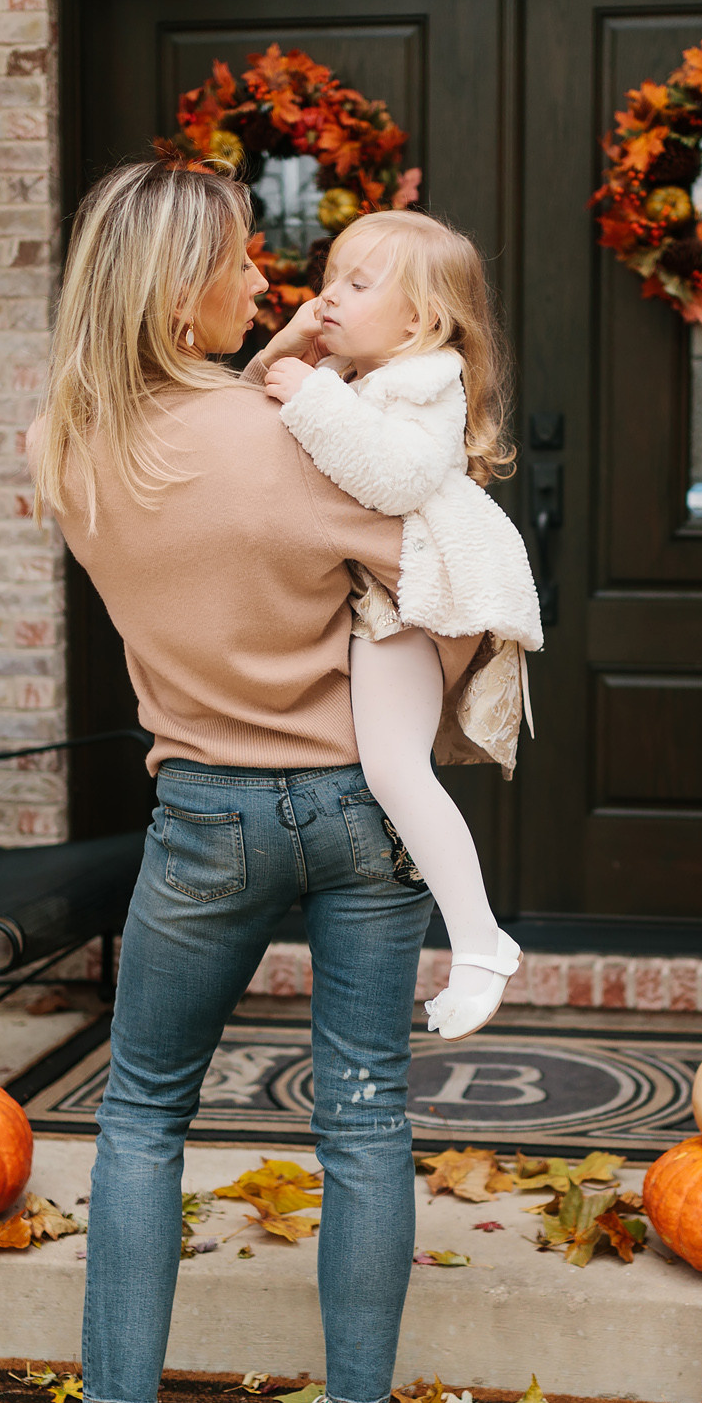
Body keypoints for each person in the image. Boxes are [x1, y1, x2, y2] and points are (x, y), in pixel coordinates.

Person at [17, 159, 479, 1403]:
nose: (265, 285)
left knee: (144, 1112)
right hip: (358, 807)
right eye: (237, 265)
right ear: (177, 294)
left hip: (204, 811)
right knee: (363, 1114)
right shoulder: (295, 439)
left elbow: (172, 446)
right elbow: (440, 569)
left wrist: (261, 363)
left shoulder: (63, 444)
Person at [242, 211, 542, 1041]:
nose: (331, 294)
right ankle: (470, 935)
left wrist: (311, 392)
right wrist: (293, 352)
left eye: (358, 284)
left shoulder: (425, 379)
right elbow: (247, 412)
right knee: (384, 767)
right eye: (331, 275)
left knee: (395, 768)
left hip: (409, 601)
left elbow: (399, 475)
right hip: (379, 596)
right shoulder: (348, 371)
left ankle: (480, 942)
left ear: (421, 320)